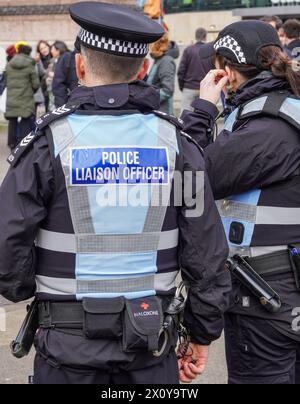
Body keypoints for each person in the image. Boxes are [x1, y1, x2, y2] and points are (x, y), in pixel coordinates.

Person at [0, 1, 230, 385]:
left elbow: (7, 245)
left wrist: (35, 294)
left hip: (66, 348)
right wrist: (202, 332)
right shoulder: (177, 146)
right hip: (150, 345)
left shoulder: (46, 145)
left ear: (79, 66)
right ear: (143, 69)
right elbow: (205, 252)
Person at [181, 20, 300, 384]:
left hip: (266, 295)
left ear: (229, 70)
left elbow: (185, 184)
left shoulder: (264, 128)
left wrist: (201, 109)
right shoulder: (285, 111)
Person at [5, 42, 39, 149]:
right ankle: (22, 145)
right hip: (26, 97)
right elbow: (36, 83)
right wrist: (31, 91)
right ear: (28, 53)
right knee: (25, 118)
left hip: (12, 97)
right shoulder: (29, 63)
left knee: (12, 119)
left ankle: (11, 143)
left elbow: (7, 81)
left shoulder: (9, 64)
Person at [178, 28, 214, 112]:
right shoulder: (210, 51)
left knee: (185, 117)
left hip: (189, 87)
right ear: (205, 36)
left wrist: (182, 86)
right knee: (205, 115)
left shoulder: (188, 50)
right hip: (206, 88)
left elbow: (181, 70)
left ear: (195, 36)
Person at [147, 32, 178, 114]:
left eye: (151, 43)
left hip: (162, 113)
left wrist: (147, 99)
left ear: (156, 44)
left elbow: (167, 90)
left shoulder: (166, 61)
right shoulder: (160, 59)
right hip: (157, 110)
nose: (149, 46)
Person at [46, 41, 70, 110]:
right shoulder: (55, 60)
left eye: (52, 49)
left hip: (63, 96)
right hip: (56, 95)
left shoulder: (66, 59)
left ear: (58, 50)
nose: (51, 51)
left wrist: (54, 75)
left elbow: (65, 76)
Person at [35, 40, 52, 112]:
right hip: (44, 87)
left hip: (53, 86)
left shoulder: (54, 56)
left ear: (48, 46)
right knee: (47, 107)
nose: (44, 50)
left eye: (45, 47)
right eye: (41, 49)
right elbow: (39, 73)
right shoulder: (39, 60)